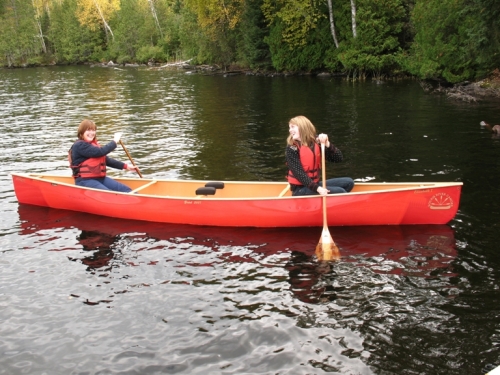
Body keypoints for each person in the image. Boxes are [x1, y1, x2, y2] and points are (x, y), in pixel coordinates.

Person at [286, 115, 354, 196]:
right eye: (289, 128)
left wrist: (327, 144)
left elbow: (338, 158)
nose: (290, 130)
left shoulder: (316, 143)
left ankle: (326, 205)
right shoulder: (292, 148)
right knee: (341, 191)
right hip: (300, 190)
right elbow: (299, 174)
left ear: (303, 127)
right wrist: (318, 189)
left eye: (293, 127)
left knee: (349, 183)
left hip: (315, 184)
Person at [68, 119, 137, 192]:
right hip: (84, 181)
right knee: (108, 194)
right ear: (82, 132)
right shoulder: (79, 145)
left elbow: (106, 160)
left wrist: (126, 166)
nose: (91, 133)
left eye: (93, 130)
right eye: (88, 130)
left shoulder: (93, 145)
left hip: (100, 179)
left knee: (127, 190)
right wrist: (114, 141)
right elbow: (100, 152)